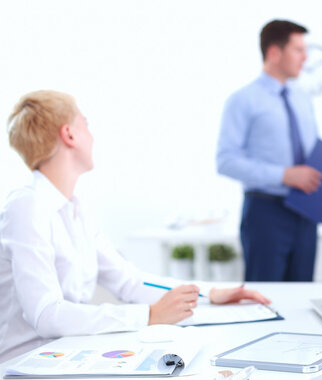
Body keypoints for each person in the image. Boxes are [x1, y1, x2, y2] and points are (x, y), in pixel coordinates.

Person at [0, 90, 270, 363]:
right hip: (26, 363)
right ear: (69, 135)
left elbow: (129, 281)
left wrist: (209, 293)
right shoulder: (27, 206)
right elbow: (46, 315)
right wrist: (149, 315)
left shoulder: (75, 210)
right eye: (86, 124)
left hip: (64, 355)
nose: (92, 136)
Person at [217, 20, 322, 282]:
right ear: (274, 52)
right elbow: (226, 161)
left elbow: (311, 156)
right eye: (298, 50)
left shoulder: (302, 98)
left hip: (306, 214)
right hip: (266, 213)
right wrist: (283, 175)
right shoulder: (243, 100)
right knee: (265, 298)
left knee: (303, 295)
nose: (305, 57)